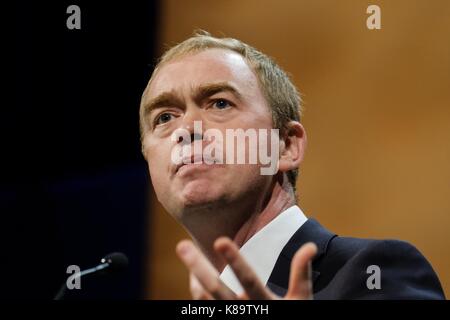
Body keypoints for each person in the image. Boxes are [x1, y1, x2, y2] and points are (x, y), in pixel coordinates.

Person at [139, 31, 445, 299]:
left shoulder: (376, 272)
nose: (187, 128)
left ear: (286, 145)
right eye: (164, 117)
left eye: (220, 103)